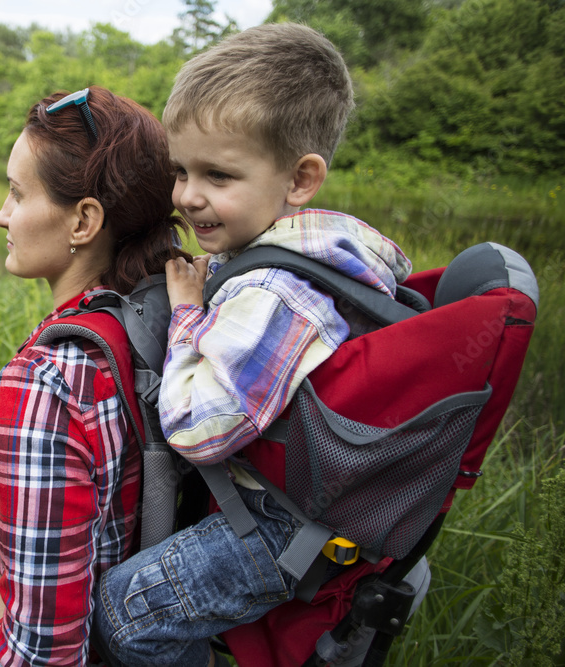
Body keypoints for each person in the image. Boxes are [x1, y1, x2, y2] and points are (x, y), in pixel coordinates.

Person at [92, 23, 414, 666]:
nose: (187, 196)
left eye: (218, 174)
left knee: (123, 614)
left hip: (286, 528)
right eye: (181, 171)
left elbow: (200, 430)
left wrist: (186, 313)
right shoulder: (306, 251)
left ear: (299, 179)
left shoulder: (276, 291)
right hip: (295, 498)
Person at [0, 85, 190, 666]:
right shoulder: (165, 319)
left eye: (16, 192)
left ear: (84, 220)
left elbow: (41, 659)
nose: (2, 214)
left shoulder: (46, 384)